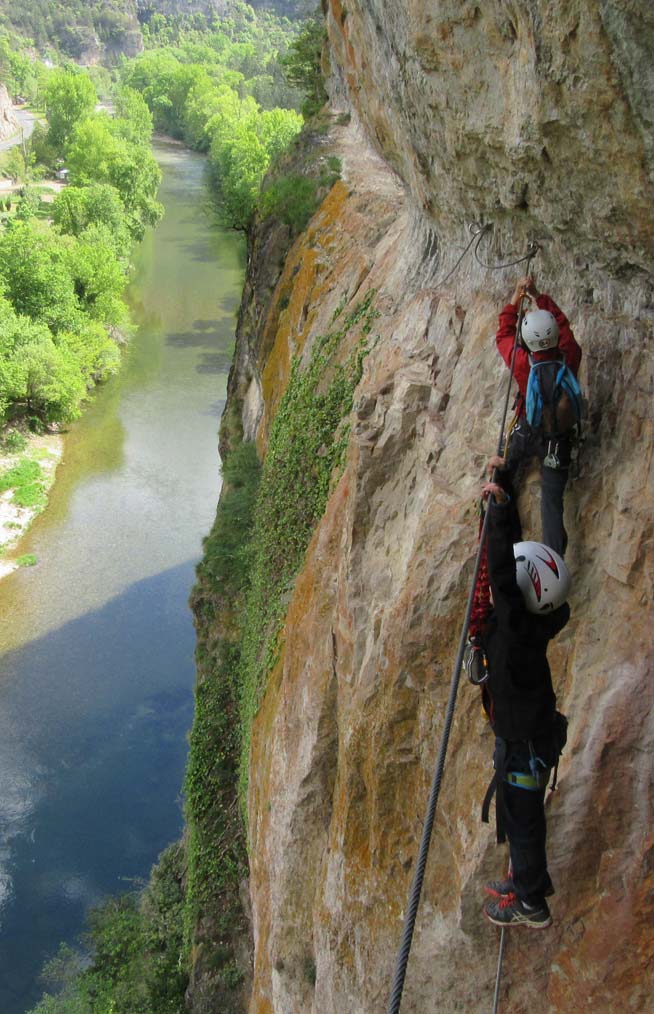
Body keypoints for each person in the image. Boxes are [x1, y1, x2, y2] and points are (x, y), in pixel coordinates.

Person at [478, 466, 570, 928]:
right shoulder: (540, 622)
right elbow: (515, 581)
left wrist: (498, 512)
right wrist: (505, 506)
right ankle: (528, 882)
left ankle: (531, 900)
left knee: (524, 822)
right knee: (524, 819)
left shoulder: (515, 634)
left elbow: (500, 576)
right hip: (531, 739)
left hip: (522, 747)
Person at [496, 276, 582, 556]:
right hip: (558, 439)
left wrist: (516, 297)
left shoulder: (522, 362)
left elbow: (504, 335)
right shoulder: (569, 355)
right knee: (551, 504)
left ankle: (499, 515)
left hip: (527, 430)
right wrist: (538, 296)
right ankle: (553, 560)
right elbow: (563, 325)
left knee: (501, 466)